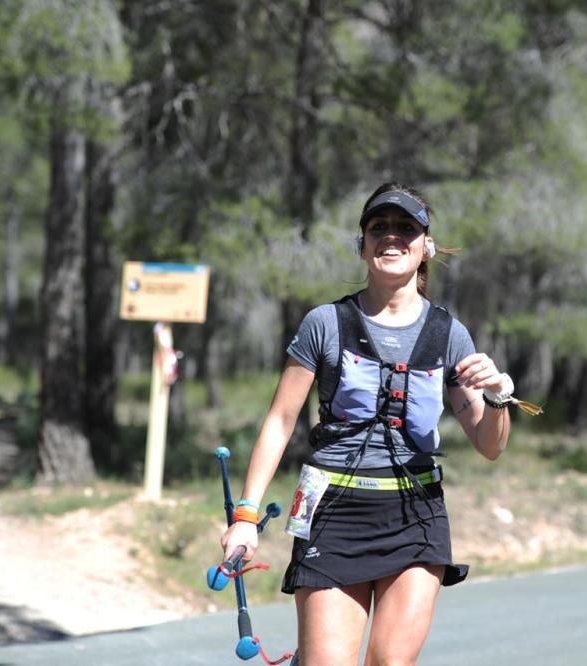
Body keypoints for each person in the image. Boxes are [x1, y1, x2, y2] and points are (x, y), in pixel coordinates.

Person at [221, 182, 533, 666]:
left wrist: (498, 398)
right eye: (378, 228)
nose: (392, 237)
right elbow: (281, 422)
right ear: (361, 245)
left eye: (406, 228)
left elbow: (489, 445)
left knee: (390, 662)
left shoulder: (448, 334)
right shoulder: (325, 323)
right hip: (333, 513)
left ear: (426, 245)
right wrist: (245, 515)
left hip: (415, 517)